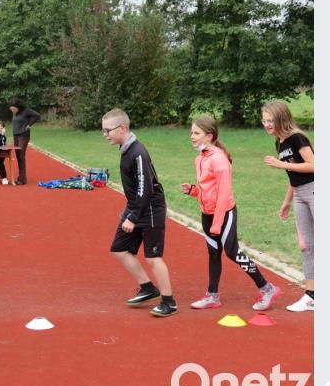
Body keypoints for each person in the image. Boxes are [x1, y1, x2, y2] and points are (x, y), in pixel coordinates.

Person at [181, 116, 281, 311]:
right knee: (213, 253)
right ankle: (212, 296)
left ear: (209, 136)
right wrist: (194, 191)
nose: (191, 137)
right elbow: (209, 189)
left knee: (232, 252)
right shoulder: (200, 158)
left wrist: (217, 223)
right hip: (207, 213)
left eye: (196, 133)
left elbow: (224, 194)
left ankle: (267, 288)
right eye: (191, 133)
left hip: (224, 213)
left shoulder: (219, 159)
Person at [102, 109, 177, 317]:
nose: (105, 135)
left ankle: (169, 302)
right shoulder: (126, 149)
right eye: (103, 131)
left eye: (108, 131)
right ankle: (147, 288)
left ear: (122, 128)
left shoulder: (138, 152)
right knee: (119, 248)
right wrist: (132, 212)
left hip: (150, 208)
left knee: (153, 257)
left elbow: (146, 188)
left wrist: (133, 217)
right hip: (136, 206)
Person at [261, 101, 314, 312]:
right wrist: (287, 201)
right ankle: (311, 296)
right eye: (264, 120)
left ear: (281, 118)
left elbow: (314, 165)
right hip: (300, 194)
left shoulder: (296, 138)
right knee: (306, 245)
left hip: (314, 190)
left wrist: (281, 164)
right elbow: (293, 176)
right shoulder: (279, 142)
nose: (266, 124)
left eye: (270, 120)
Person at [8, 98, 40, 185]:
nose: (12, 110)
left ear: (18, 107)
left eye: (13, 109)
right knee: (18, 156)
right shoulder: (15, 113)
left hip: (23, 135)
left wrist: (29, 124)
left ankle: (22, 179)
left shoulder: (26, 111)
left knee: (21, 155)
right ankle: (21, 177)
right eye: (11, 109)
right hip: (15, 135)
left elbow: (37, 115)